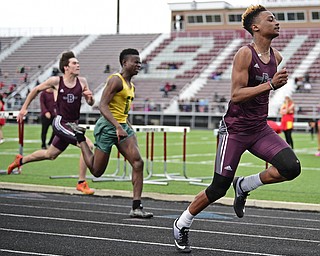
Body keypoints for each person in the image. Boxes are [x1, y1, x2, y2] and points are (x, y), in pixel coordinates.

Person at [173, 5, 301, 253]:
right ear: (255, 27)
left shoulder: (277, 57)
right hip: (235, 130)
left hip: (259, 129)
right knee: (218, 188)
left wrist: (271, 86)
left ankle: (245, 185)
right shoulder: (245, 54)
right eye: (270, 19)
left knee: (291, 167)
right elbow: (236, 95)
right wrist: (271, 86)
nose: (277, 22)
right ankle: (182, 223)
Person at [67, 48, 153, 218]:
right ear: (124, 63)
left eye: (139, 62)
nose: (139, 65)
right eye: (135, 62)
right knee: (97, 171)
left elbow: (122, 111)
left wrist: (127, 127)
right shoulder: (116, 80)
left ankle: (136, 207)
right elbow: (102, 106)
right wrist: (117, 127)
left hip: (121, 126)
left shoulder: (131, 86)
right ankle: (81, 138)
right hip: (108, 127)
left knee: (138, 163)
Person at [7, 51, 95, 195]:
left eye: (78, 63)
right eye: (74, 63)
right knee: (87, 145)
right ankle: (81, 182)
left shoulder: (82, 81)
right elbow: (35, 90)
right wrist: (23, 109)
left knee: (50, 154)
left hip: (73, 124)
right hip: (60, 122)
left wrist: (89, 98)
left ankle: (20, 161)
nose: (78, 65)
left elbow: (91, 103)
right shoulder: (56, 81)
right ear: (66, 67)